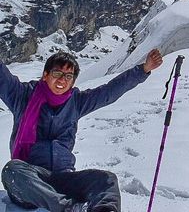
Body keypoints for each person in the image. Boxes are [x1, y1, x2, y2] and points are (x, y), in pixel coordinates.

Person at [0, 48, 163, 212]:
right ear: (46, 74)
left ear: (72, 82)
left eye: (68, 76)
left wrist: (143, 69)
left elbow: (108, 92)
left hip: (63, 177)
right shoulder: (22, 96)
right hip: (31, 179)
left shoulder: (76, 102)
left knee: (106, 179)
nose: (62, 80)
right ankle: (71, 209)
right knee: (12, 170)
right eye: (57, 73)